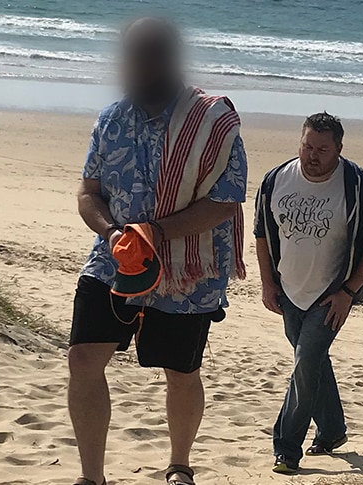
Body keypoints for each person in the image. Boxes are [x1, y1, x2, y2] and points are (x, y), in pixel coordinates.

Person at [68, 17, 248, 485]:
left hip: (187, 268)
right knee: (83, 359)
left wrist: (156, 233)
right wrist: (112, 234)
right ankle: (92, 477)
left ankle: (180, 464)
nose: (139, 64)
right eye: (132, 54)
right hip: (115, 259)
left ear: (170, 58)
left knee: (181, 370)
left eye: (150, 54)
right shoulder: (110, 119)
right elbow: (89, 193)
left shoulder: (211, 121)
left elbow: (225, 201)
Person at [254, 112, 363, 474]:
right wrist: (268, 282)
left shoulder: (358, 186)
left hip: (332, 295)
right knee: (312, 362)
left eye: (322, 150)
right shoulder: (275, 180)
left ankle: (286, 448)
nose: (312, 155)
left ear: (338, 149)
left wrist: (348, 291)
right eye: (307, 146)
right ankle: (332, 431)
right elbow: (263, 234)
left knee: (306, 362)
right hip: (288, 291)